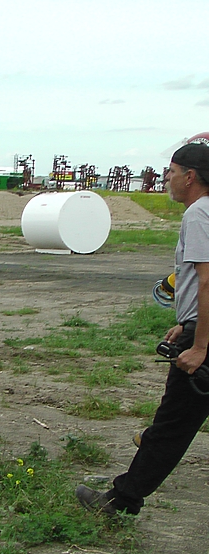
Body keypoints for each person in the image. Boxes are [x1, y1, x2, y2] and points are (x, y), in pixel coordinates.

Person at [77, 143, 209, 516]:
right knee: (172, 424)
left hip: (204, 340)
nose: (166, 178)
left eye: (170, 171)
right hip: (199, 326)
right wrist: (186, 320)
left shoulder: (199, 214)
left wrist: (198, 345)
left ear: (190, 176)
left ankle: (122, 500)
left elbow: (207, 282)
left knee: (172, 425)